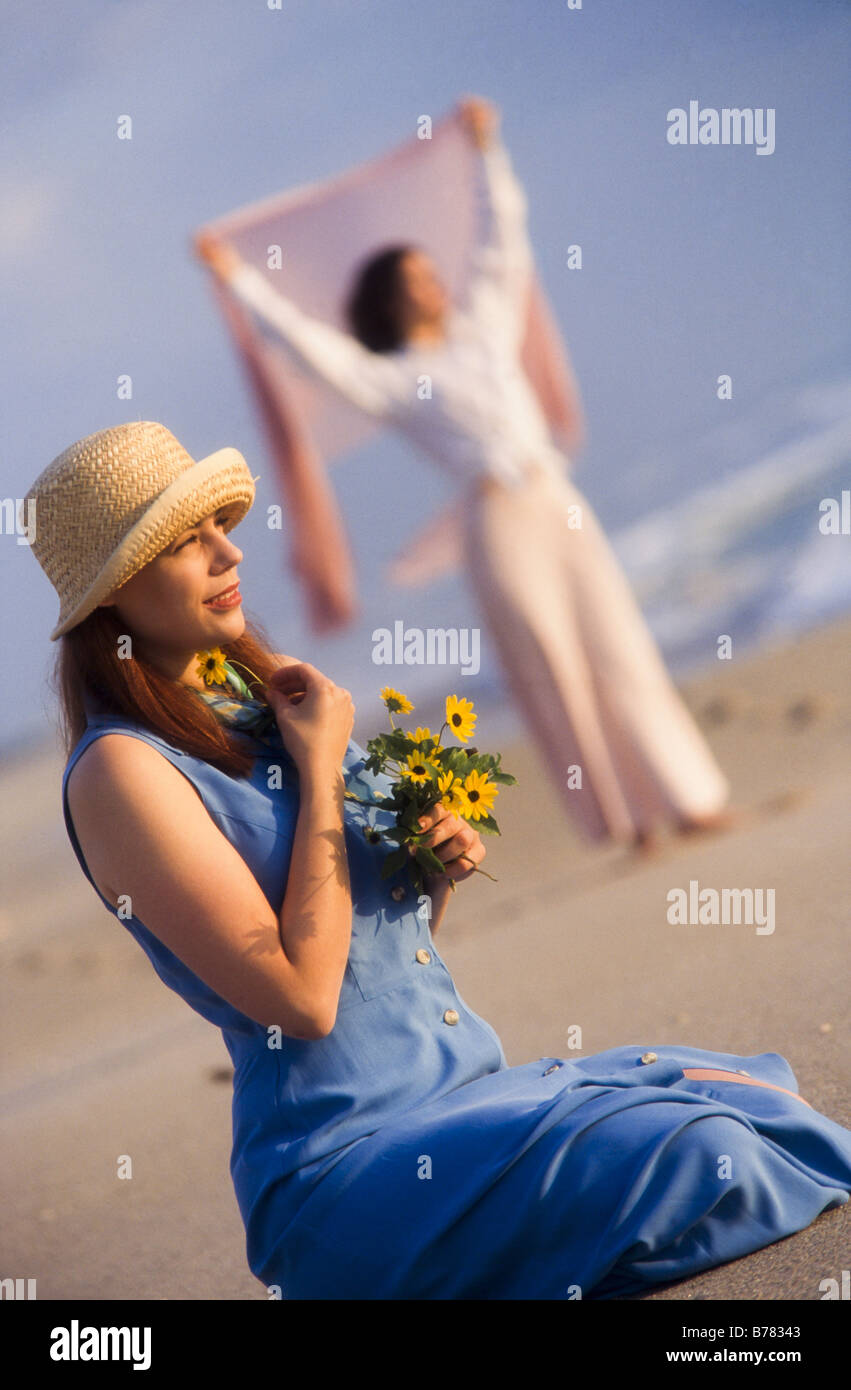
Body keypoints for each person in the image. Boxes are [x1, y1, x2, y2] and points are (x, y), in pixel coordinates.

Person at [22, 418, 851, 1300]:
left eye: (221, 525)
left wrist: (429, 873)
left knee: (756, 1100)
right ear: (113, 593)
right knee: (709, 1154)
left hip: (466, 1099)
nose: (229, 553)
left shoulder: (251, 704)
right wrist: (318, 769)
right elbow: (302, 999)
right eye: (187, 542)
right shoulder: (121, 771)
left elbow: (376, 955)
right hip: (345, 1170)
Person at [195, 95, 737, 854]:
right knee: (549, 663)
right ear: (387, 300)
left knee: (618, 645)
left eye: (428, 272)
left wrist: (486, 149)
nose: (430, 284)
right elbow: (308, 346)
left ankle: (691, 798)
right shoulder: (386, 377)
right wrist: (239, 280)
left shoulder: (486, 321)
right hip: (495, 522)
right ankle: (628, 823)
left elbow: (500, 240)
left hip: (554, 499)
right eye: (411, 279)